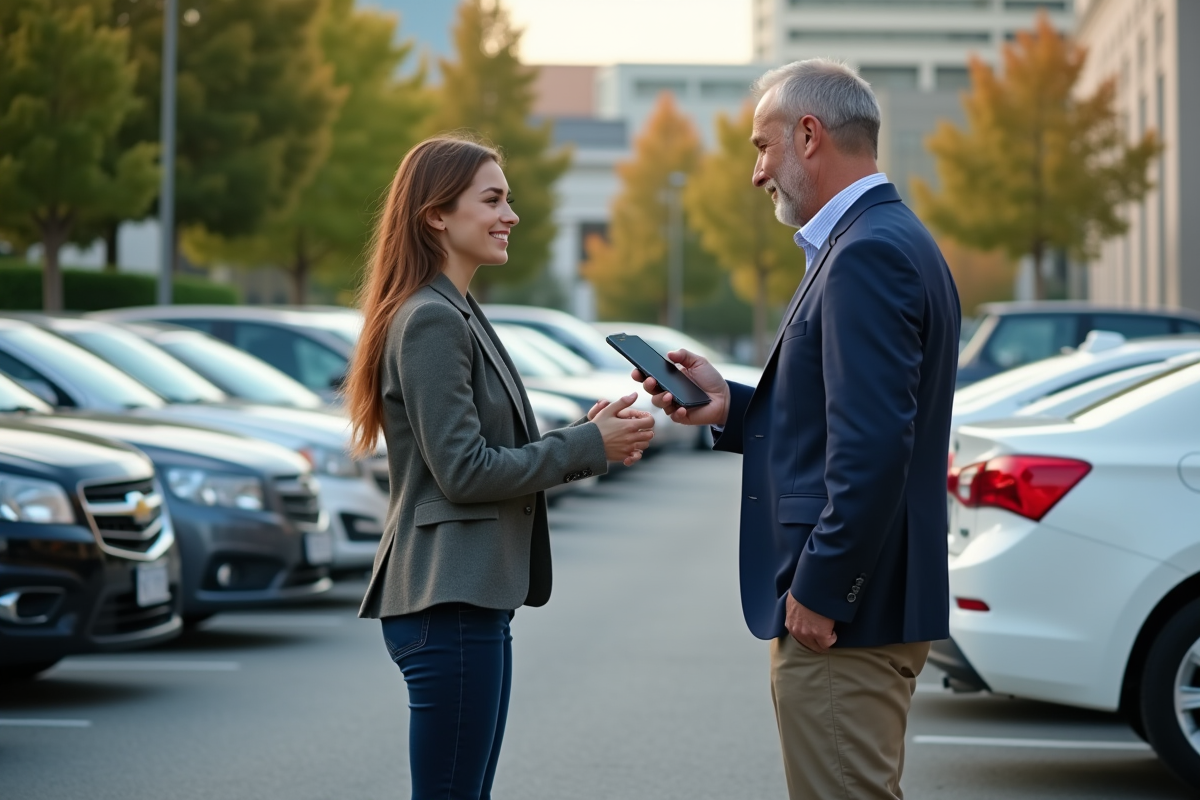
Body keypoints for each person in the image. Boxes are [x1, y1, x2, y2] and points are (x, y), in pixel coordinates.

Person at [636, 60, 960, 799]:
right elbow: (850, 416)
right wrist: (733, 405)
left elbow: (876, 447)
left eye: (762, 146)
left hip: (847, 617)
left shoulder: (865, 254)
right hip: (868, 609)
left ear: (809, 135)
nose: (757, 173)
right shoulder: (883, 239)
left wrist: (822, 588)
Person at [343, 134, 654, 800]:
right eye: (492, 199)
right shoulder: (431, 319)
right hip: (447, 599)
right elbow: (464, 471)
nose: (510, 214)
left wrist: (585, 434)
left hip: (468, 599)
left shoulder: (455, 309)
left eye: (507, 199)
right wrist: (589, 446)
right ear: (436, 215)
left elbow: (478, 449)